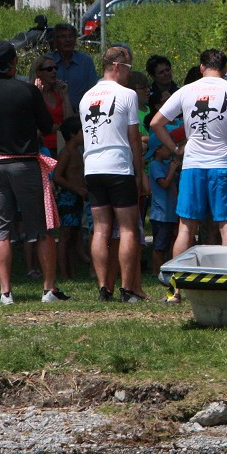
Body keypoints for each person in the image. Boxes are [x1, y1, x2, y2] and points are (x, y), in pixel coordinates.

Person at [150, 49, 227, 269]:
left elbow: (156, 123)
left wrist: (175, 149)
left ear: (202, 68)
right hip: (223, 165)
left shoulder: (186, 91)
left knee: (186, 228)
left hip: (193, 165)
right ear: (224, 69)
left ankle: (176, 288)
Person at [0, 41, 67, 304]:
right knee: (40, 228)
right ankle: (49, 289)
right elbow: (48, 126)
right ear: (14, 62)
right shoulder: (28, 91)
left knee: (0, 230)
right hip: (25, 163)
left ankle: (5, 292)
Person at [79, 47, 146, 303]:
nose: (129, 74)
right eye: (128, 68)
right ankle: (128, 289)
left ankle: (103, 288)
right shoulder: (127, 95)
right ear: (117, 67)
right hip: (118, 166)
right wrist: (139, 173)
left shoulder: (86, 97)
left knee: (101, 229)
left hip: (92, 167)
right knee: (128, 229)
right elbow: (133, 138)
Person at [53, 117, 87, 280]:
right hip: (67, 197)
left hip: (77, 197)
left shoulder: (77, 152)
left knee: (74, 236)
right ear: (73, 134)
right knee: (65, 236)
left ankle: (72, 272)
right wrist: (76, 188)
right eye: (82, 131)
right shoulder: (66, 152)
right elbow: (57, 176)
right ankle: (64, 274)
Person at [148, 125, 183, 274]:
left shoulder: (166, 164)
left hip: (170, 212)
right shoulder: (155, 165)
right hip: (160, 214)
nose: (171, 149)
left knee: (168, 244)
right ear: (158, 149)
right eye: (167, 147)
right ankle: (157, 271)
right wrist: (172, 169)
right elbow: (164, 183)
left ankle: (167, 270)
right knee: (159, 246)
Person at [49, 23, 97, 111]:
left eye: (71, 36)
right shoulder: (47, 62)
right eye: (63, 37)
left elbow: (93, 91)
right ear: (55, 41)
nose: (68, 40)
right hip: (54, 115)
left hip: (80, 115)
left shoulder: (85, 61)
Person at [30, 54, 71, 158]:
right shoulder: (32, 95)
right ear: (39, 73)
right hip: (43, 147)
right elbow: (37, 127)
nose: (54, 71)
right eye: (49, 69)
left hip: (62, 144)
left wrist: (65, 95)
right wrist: (59, 126)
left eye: (55, 68)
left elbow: (70, 122)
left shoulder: (58, 94)